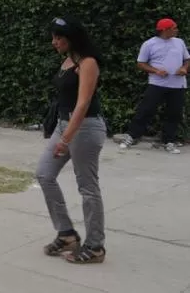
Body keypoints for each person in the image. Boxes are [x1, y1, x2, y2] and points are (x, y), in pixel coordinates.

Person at [36, 16, 107, 264]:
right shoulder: (69, 60)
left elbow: (83, 103)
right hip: (64, 125)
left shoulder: (88, 63)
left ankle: (95, 246)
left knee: (87, 187)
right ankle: (66, 233)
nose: (54, 42)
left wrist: (65, 139)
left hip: (85, 128)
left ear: (72, 38)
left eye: (59, 38)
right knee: (44, 174)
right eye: (53, 37)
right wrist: (60, 130)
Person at [116, 18, 187, 155]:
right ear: (165, 30)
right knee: (146, 110)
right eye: (174, 28)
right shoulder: (149, 44)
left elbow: (187, 59)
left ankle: (169, 141)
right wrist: (156, 71)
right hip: (157, 84)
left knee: (174, 113)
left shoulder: (180, 42)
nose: (177, 30)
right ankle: (131, 136)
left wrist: (184, 68)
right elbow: (141, 63)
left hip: (178, 85)